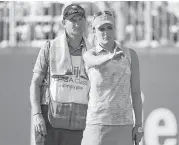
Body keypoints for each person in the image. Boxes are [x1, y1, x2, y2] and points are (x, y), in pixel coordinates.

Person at [30, 4, 91, 145]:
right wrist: (37, 115)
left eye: (80, 19)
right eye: (72, 19)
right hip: (49, 120)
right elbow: (35, 83)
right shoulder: (49, 47)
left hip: (78, 122)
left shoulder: (93, 52)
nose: (77, 23)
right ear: (64, 23)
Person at [81, 10, 144, 145]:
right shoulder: (89, 55)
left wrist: (139, 124)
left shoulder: (130, 55)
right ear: (94, 31)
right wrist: (110, 57)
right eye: (101, 28)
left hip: (124, 125)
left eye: (109, 27)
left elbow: (136, 92)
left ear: (115, 28)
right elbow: (93, 62)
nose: (106, 32)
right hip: (97, 125)